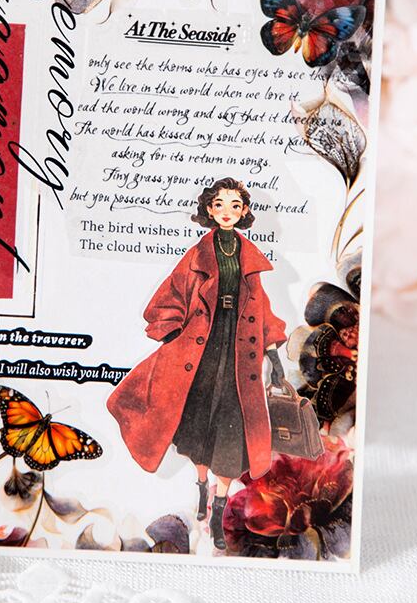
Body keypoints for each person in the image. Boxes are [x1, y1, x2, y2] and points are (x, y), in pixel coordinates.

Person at [107, 177, 287, 550]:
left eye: (235, 205)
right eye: (219, 205)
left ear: (244, 211)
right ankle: (202, 485)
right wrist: (174, 335)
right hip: (200, 350)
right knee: (199, 422)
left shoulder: (248, 257)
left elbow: (262, 308)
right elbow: (170, 295)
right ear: (209, 210)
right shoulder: (197, 255)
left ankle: (219, 509)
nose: (227, 212)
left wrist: (273, 353)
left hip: (238, 351)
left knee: (231, 429)